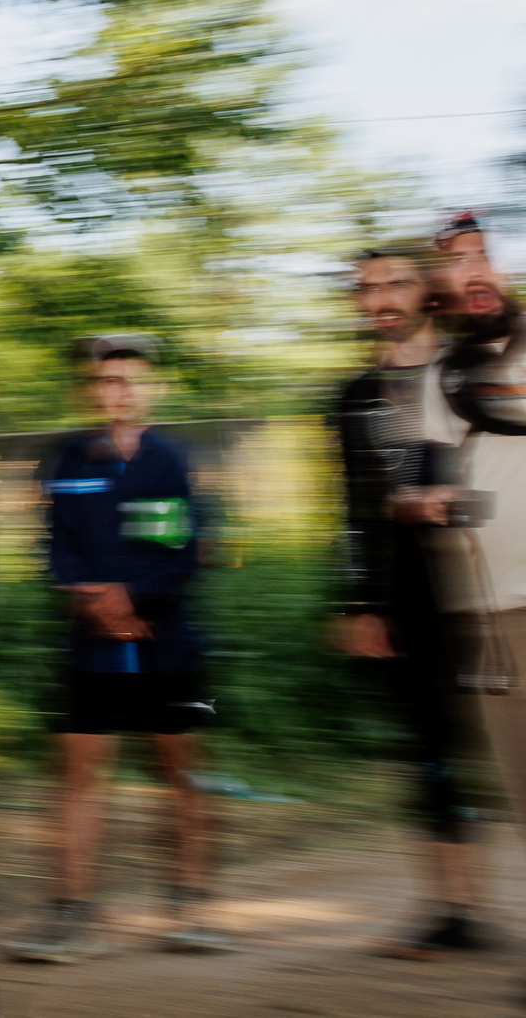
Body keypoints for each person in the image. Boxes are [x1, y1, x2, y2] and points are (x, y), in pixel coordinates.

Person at [7, 335, 222, 962]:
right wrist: (92, 599)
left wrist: (132, 599)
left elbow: (181, 553)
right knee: (76, 778)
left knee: (181, 773)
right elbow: (56, 545)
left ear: (151, 388)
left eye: (131, 380)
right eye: (108, 381)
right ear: (92, 390)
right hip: (89, 647)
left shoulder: (169, 461)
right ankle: (70, 915)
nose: (119, 391)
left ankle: (192, 905)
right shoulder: (69, 458)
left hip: (170, 645)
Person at [330, 245, 483, 956]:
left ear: (427, 291)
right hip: (406, 600)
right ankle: (453, 909)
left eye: (396, 282)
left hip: (492, 587)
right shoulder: (355, 396)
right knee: (428, 752)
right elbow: (352, 509)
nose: (381, 296)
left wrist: (453, 505)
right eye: (368, 287)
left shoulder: (472, 372)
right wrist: (357, 602)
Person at [425, 210, 526, 1002]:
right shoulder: (439, 379)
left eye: (483, 254)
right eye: (459, 262)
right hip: (492, 612)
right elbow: (430, 483)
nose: (476, 269)